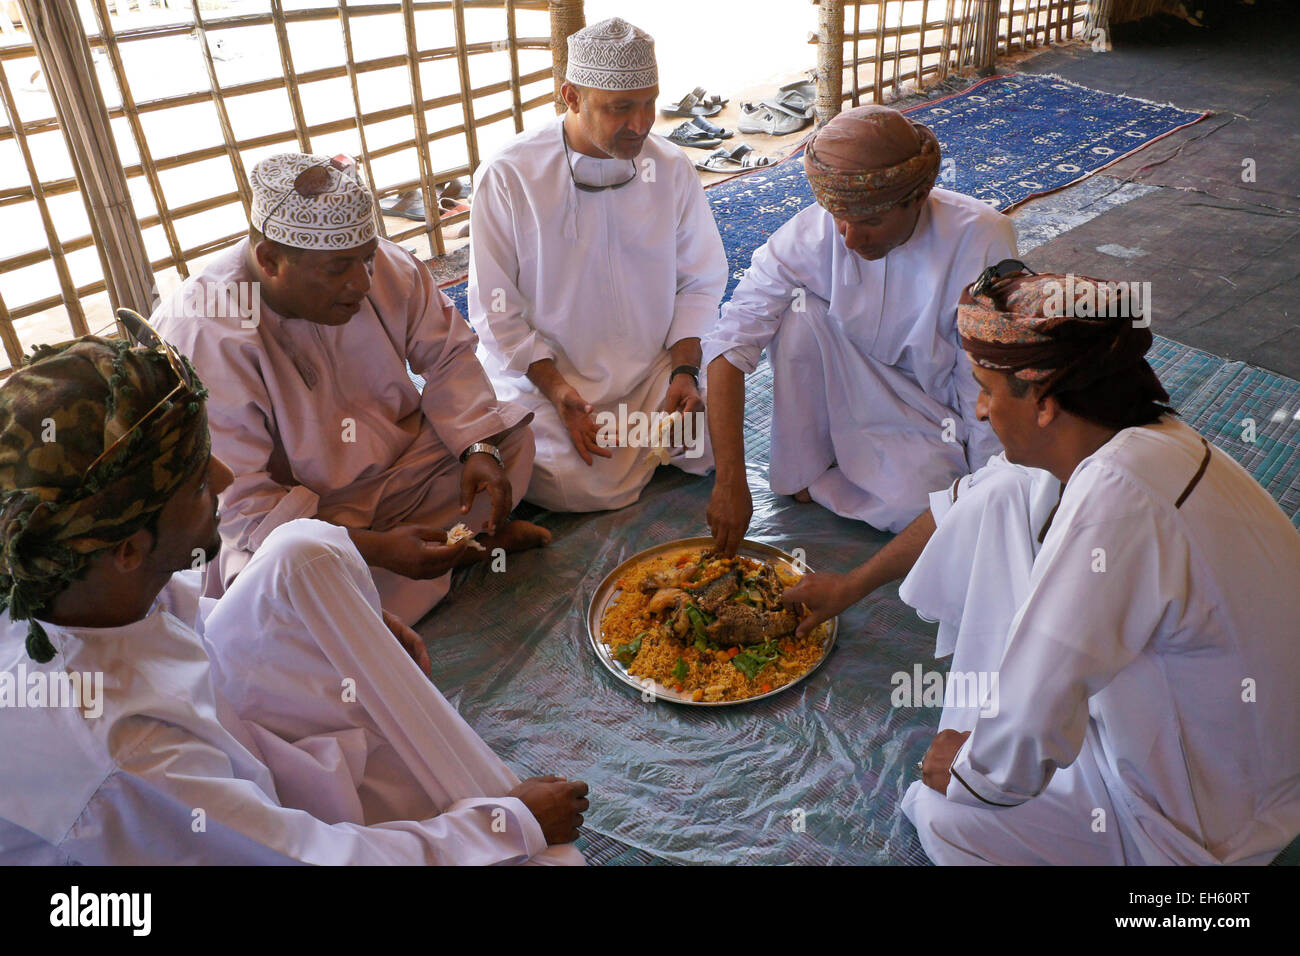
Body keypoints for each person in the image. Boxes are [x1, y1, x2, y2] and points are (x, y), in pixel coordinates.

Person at [0, 336, 588, 865]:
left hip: (230, 754)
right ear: (127, 550)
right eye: (196, 481)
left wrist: (346, 621)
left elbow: (170, 619)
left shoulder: (64, 578)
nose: (225, 478)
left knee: (304, 552)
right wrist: (509, 826)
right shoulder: (131, 759)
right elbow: (302, 859)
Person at [783, 264, 1300, 864]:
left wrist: (975, 767)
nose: (978, 411)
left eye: (987, 389)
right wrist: (848, 587)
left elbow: (1035, 712)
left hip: (1206, 815)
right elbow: (967, 503)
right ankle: (994, 726)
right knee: (1002, 498)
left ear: (1046, 402)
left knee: (945, 814)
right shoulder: (1143, 438)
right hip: (1227, 747)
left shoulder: (1117, 500)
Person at [153, 152, 548, 626]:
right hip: (307, 514)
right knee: (276, 592)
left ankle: (429, 562)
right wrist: (376, 549)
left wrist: (477, 447)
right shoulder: (202, 331)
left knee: (511, 441)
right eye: (339, 268)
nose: (362, 282)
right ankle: (451, 555)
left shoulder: (381, 266)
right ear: (270, 261)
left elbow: (447, 356)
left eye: (367, 258)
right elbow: (242, 505)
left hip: (403, 474)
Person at [704, 105, 1016, 553]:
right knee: (796, 317)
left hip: (931, 410)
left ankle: (840, 484)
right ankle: (808, 471)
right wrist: (731, 482)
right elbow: (730, 342)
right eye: (839, 218)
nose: (849, 239)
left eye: (869, 222)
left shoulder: (981, 238)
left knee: (933, 512)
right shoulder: (811, 235)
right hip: (847, 384)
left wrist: (986, 483)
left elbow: (986, 377)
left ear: (917, 199)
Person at [469, 17, 728, 512]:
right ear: (571, 96)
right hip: (550, 380)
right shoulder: (510, 176)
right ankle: (637, 451)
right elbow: (495, 312)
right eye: (620, 108)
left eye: (650, 102)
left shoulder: (671, 168)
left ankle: (660, 436)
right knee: (578, 483)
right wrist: (559, 393)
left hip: (653, 370)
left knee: (717, 430)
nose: (641, 123)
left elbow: (699, 283)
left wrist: (683, 374)